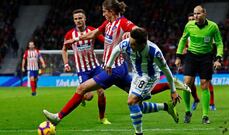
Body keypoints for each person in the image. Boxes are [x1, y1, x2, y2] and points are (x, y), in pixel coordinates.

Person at [43, 0, 180, 127]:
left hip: (115, 69)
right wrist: (75, 40)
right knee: (139, 98)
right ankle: (168, 96)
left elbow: (138, 31)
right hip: (116, 69)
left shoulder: (122, 22)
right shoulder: (107, 24)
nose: (103, 14)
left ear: (111, 11)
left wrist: (130, 35)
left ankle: (58, 117)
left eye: (104, 11)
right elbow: (93, 33)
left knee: (81, 89)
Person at [105, 28, 181, 135]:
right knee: (137, 106)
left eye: (133, 44)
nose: (130, 46)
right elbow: (116, 49)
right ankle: (166, 107)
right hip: (137, 75)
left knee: (131, 101)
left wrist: (173, 90)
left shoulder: (154, 52)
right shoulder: (128, 43)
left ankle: (139, 133)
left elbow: (167, 71)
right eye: (130, 43)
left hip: (150, 76)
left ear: (143, 44)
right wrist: (109, 64)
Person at [175, 5, 223, 124]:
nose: (196, 16)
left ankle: (205, 116)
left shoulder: (213, 26)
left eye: (198, 13)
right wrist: (178, 56)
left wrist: (218, 59)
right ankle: (187, 112)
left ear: (204, 13)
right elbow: (182, 39)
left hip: (206, 57)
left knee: (204, 85)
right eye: (194, 14)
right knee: (186, 84)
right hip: (191, 56)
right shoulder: (189, 25)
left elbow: (219, 43)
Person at [62, 9, 110, 124]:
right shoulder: (69, 34)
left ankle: (102, 117)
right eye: (76, 19)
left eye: (80, 18)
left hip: (95, 68)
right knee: (89, 96)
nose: (78, 21)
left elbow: (105, 42)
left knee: (101, 92)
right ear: (74, 21)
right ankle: (83, 97)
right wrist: (66, 63)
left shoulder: (92, 31)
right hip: (82, 71)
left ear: (85, 19)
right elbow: (64, 49)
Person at [186, 13, 216, 111]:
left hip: (204, 59)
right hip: (192, 59)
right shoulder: (188, 32)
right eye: (189, 19)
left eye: (192, 19)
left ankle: (212, 103)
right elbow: (184, 46)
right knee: (190, 83)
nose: (191, 20)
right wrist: (184, 50)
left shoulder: (204, 30)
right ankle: (196, 99)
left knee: (206, 82)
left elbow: (213, 44)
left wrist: (214, 58)